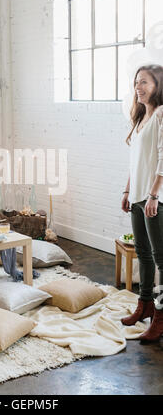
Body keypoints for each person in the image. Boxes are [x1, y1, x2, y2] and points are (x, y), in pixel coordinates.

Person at [121, 64, 163, 344]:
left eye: (145, 82)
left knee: (161, 258)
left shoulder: (161, 114)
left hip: (153, 199)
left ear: (157, 85)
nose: (139, 87)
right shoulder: (140, 117)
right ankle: (145, 304)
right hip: (137, 196)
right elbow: (135, 162)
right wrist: (126, 191)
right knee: (143, 254)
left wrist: (153, 195)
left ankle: (160, 316)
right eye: (137, 82)